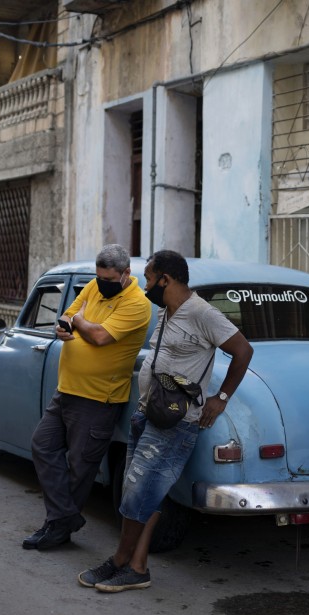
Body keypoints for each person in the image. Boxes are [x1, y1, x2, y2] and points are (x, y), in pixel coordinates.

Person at [78, 250, 254, 592]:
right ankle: (138, 567)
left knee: (135, 496)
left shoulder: (202, 313)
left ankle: (117, 561)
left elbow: (243, 350)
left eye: (148, 278)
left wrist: (221, 398)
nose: (146, 285)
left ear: (166, 280)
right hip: (147, 414)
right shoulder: (166, 311)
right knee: (145, 495)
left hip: (175, 423)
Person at [24, 244, 151, 551]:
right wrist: (65, 327)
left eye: (109, 279)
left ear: (125, 274)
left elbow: (101, 337)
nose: (102, 283)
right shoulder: (94, 286)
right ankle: (65, 517)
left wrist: (80, 323)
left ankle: (57, 528)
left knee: (81, 467)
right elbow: (68, 314)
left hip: (99, 398)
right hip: (66, 389)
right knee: (42, 446)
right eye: (99, 277)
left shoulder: (137, 303)